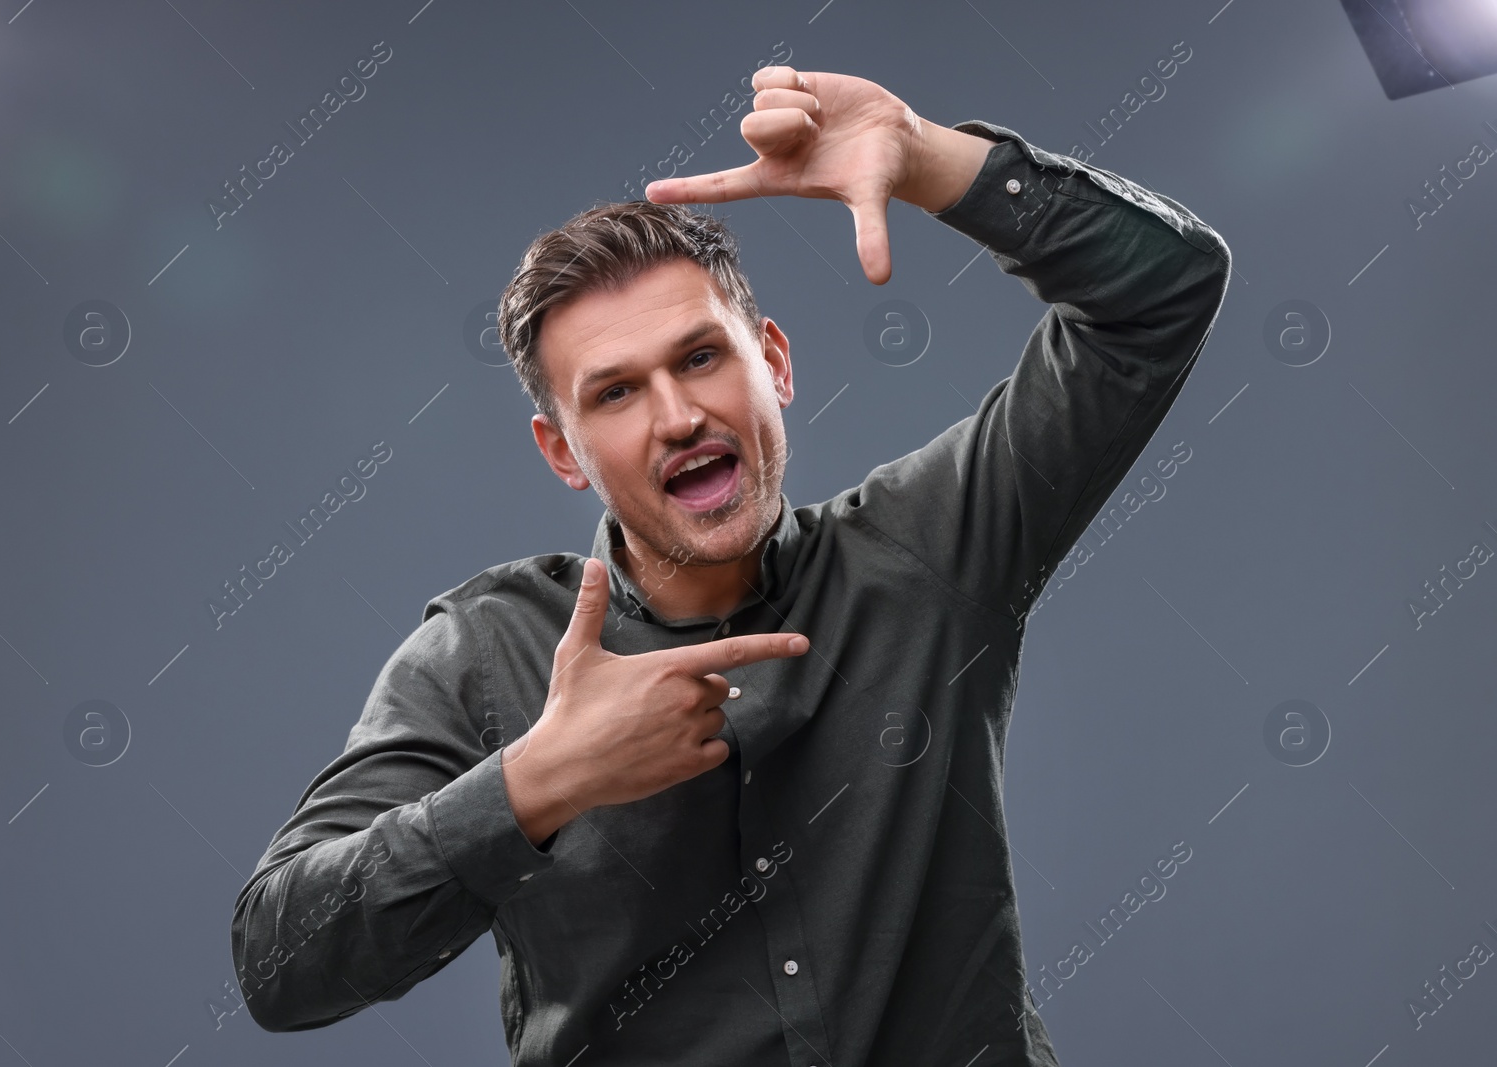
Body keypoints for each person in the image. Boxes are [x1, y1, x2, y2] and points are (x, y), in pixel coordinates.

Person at [230, 64, 1231, 1066]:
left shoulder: (926, 550)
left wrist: (927, 160)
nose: (676, 415)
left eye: (701, 357)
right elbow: (281, 964)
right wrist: (539, 778)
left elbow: (1162, 289)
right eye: (615, 393)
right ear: (562, 451)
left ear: (777, 363)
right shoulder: (483, 654)